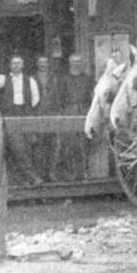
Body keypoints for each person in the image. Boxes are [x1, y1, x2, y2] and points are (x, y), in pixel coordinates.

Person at [0, 54, 42, 184]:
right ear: (10, 66)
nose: (16, 65)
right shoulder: (4, 79)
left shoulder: (30, 80)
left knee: (29, 146)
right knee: (17, 147)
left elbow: (35, 97)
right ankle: (31, 177)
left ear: (23, 65)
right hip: (10, 114)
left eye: (19, 63)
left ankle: (26, 178)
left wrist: (27, 110)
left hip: (25, 114)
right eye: (14, 63)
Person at [58, 53, 96, 181]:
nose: (76, 64)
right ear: (70, 63)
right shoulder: (64, 79)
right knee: (70, 144)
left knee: (85, 143)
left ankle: (85, 171)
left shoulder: (88, 79)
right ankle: (72, 173)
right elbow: (60, 99)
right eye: (74, 62)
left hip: (85, 112)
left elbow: (94, 96)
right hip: (69, 112)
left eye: (79, 62)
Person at [34, 55, 61, 182]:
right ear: (37, 64)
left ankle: (51, 172)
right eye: (41, 62)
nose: (43, 65)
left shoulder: (54, 78)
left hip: (52, 114)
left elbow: (57, 97)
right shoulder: (32, 78)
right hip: (38, 114)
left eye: (45, 62)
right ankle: (39, 173)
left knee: (54, 144)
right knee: (39, 146)